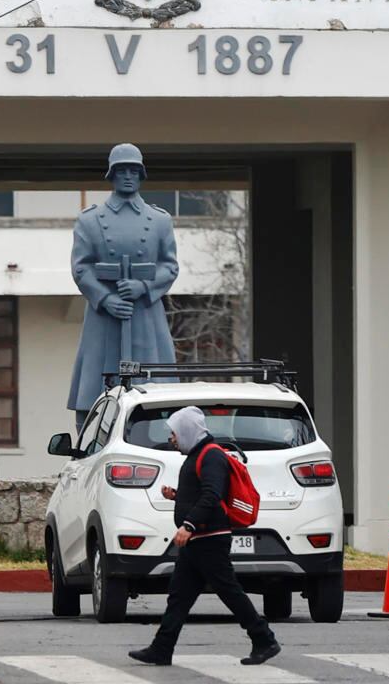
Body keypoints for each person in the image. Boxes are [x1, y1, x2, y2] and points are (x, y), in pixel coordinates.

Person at [130, 406, 280, 668]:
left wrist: (187, 524)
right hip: (198, 540)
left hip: (209, 538)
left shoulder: (211, 456)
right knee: (179, 596)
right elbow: (202, 493)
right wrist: (178, 496)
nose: (172, 439)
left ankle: (264, 639)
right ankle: (161, 649)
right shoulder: (199, 454)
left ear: (188, 431)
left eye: (175, 433)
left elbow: (212, 495)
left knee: (228, 590)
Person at [66, 142, 180, 423]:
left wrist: (144, 288)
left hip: (146, 314)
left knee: (155, 388)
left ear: (141, 175)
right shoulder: (90, 220)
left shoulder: (159, 220)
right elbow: (81, 268)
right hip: (104, 317)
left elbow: (169, 265)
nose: (128, 176)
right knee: (93, 387)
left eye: (133, 170)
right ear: (111, 176)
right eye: (121, 171)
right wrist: (105, 299)